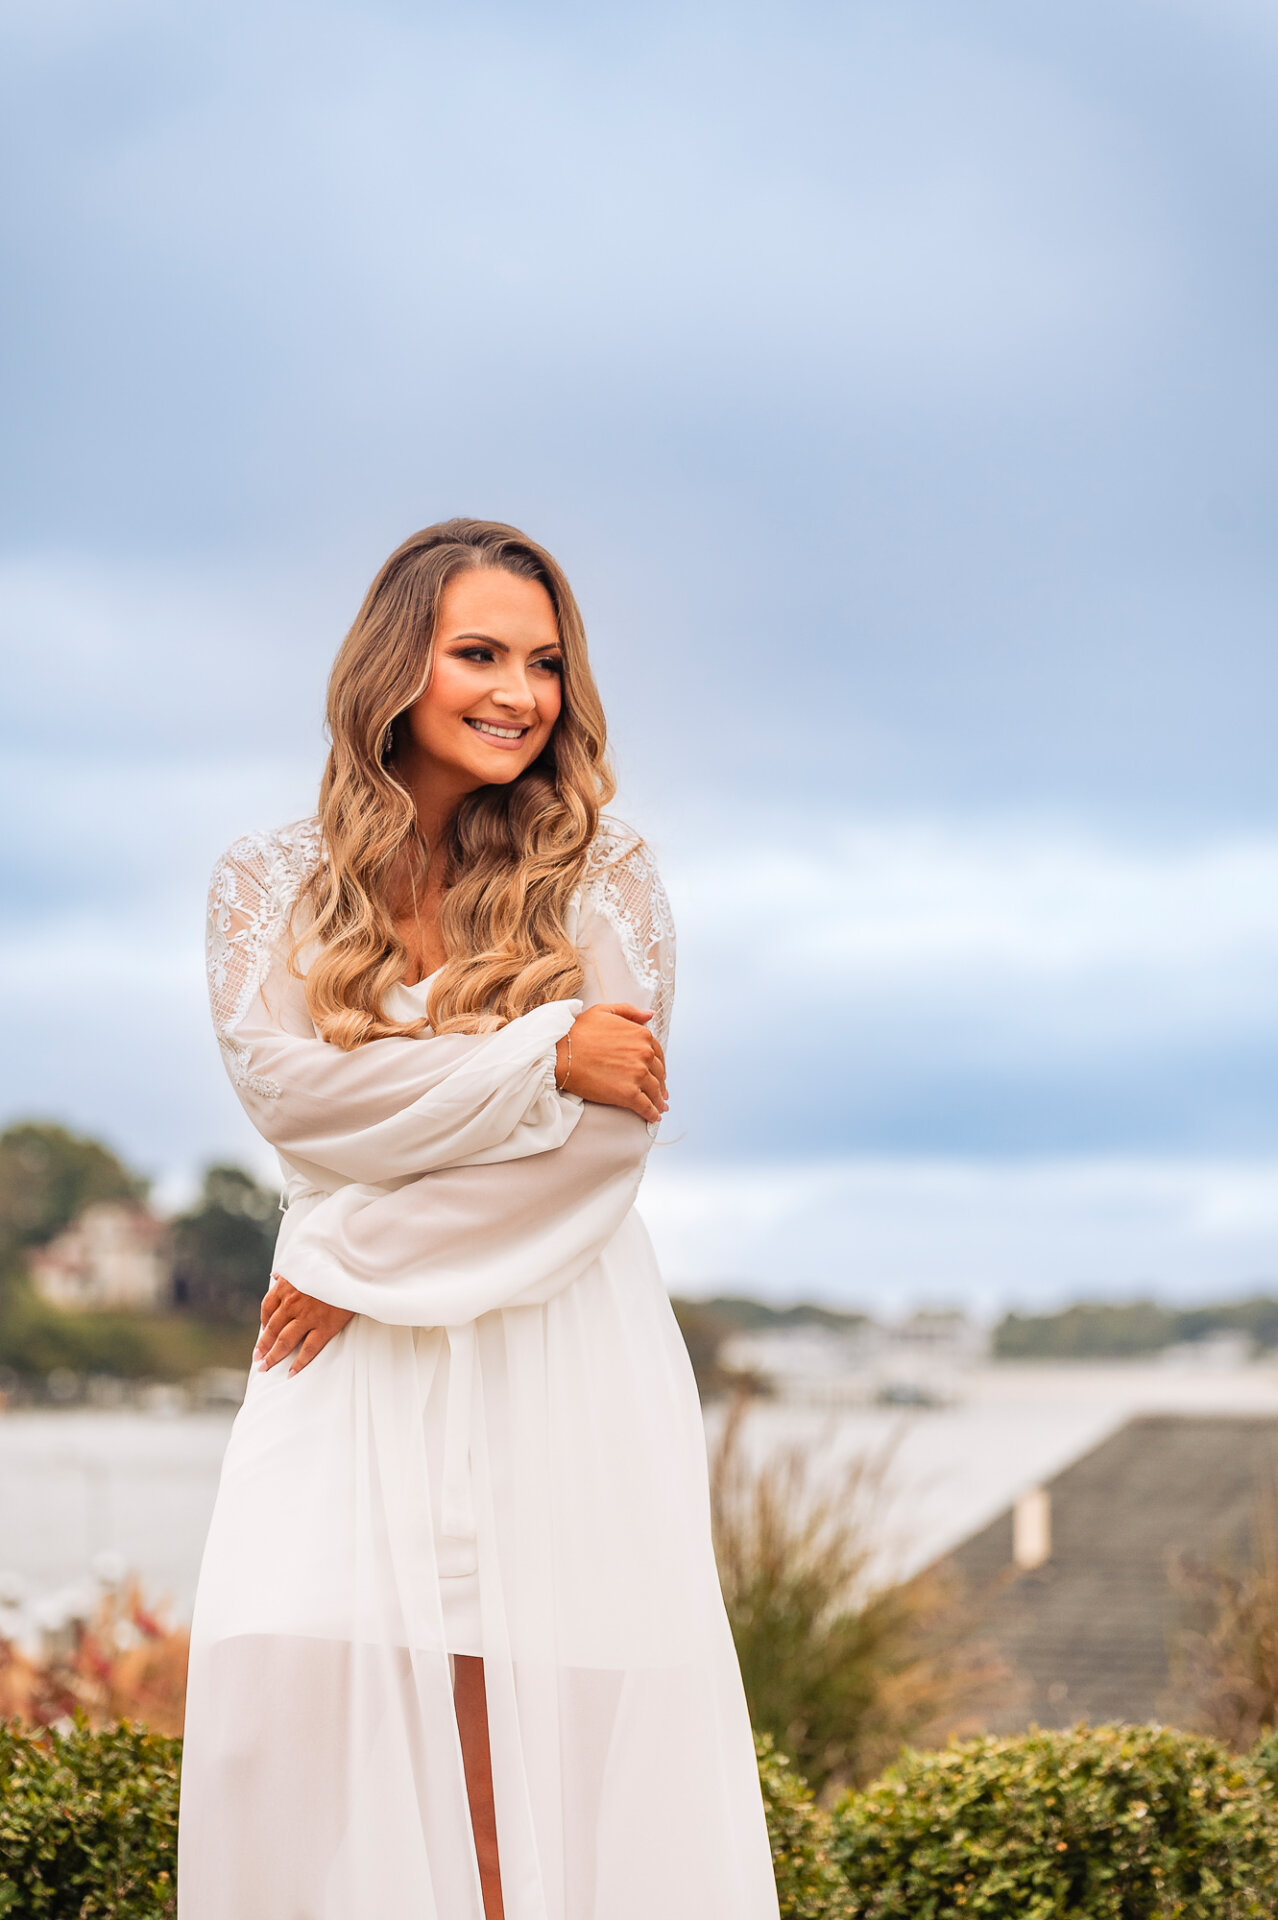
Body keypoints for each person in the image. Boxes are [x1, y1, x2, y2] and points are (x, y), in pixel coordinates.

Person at [176, 519, 779, 1920]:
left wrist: (356, 1252)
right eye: (480, 654)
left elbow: (600, 1147)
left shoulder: (600, 875)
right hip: (340, 1364)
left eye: (545, 663)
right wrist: (537, 1055)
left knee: (540, 1770)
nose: (519, 693)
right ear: (399, 665)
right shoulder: (268, 882)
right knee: (292, 1722)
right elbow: (300, 1103)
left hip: (551, 1340)